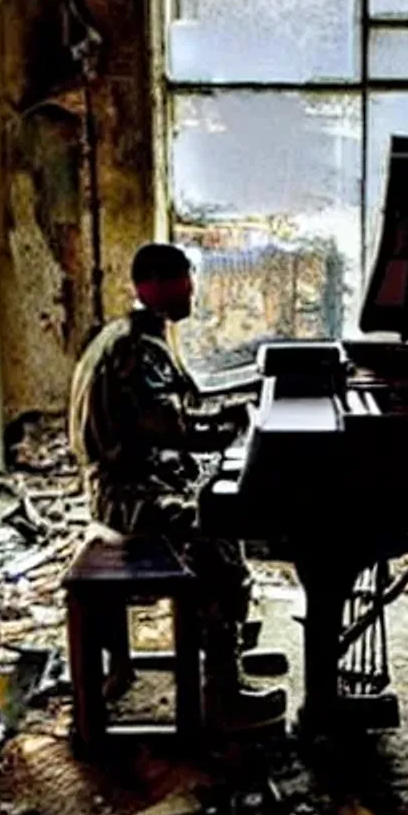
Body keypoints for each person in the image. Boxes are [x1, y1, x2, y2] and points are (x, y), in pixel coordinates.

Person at [68, 242, 283, 733]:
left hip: (121, 482)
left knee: (220, 513)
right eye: (186, 278)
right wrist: (233, 424)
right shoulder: (136, 348)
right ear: (154, 286)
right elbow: (173, 426)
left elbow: (163, 415)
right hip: (126, 498)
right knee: (215, 534)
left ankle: (228, 648)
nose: (193, 288)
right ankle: (222, 693)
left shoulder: (123, 334)